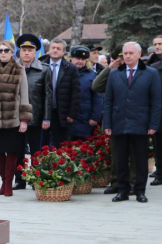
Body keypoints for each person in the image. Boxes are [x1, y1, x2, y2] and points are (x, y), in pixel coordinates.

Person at [104, 42, 161, 203]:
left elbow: (156, 102)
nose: (128, 56)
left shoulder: (151, 73)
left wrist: (153, 125)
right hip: (119, 122)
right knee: (121, 159)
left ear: (139, 54)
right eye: (125, 53)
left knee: (141, 159)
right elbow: (108, 101)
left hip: (141, 123)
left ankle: (140, 191)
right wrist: (107, 124)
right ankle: (122, 191)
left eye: (131, 53)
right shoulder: (114, 74)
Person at [0, 40, 32, 197]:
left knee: (12, 151)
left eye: (6, 50)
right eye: (0, 50)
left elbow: (24, 95)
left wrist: (24, 120)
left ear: (12, 52)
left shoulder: (19, 70)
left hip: (12, 118)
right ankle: (3, 182)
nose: (3, 53)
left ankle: (9, 183)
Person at [14, 34, 51, 189]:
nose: (26, 53)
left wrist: (47, 118)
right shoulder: (13, 69)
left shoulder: (44, 70)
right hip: (16, 118)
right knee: (17, 150)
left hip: (35, 117)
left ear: (35, 52)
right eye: (24, 50)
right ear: (20, 52)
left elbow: (48, 96)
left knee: (36, 151)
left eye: (30, 50)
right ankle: (20, 179)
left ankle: (36, 179)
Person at [92, 51, 131, 194]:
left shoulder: (140, 72)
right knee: (117, 153)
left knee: (134, 153)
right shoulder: (113, 73)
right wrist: (109, 68)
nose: (122, 61)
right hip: (117, 117)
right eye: (119, 59)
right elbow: (96, 86)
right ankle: (116, 182)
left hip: (135, 118)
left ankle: (133, 183)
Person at [44, 38, 80, 146]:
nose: (55, 50)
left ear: (63, 51)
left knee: (61, 146)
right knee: (43, 146)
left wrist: (71, 114)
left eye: (58, 48)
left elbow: (76, 93)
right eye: (53, 48)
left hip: (62, 113)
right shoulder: (41, 65)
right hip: (44, 113)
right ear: (49, 50)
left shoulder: (71, 68)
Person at [69, 46, 103, 141]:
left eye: (83, 59)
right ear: (71, 58)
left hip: (84, 119)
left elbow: (98, 98)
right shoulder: (64, 73)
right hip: (67, 118)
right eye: (77, 58)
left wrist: (95, 117)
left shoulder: (92, 75)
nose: (80, 61)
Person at [148, 34, 162, 185]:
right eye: (155, 44)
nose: (157, 46)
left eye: (160, 44)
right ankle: (160, 172)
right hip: (157, 110)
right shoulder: (152, 66)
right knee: (158, 143)